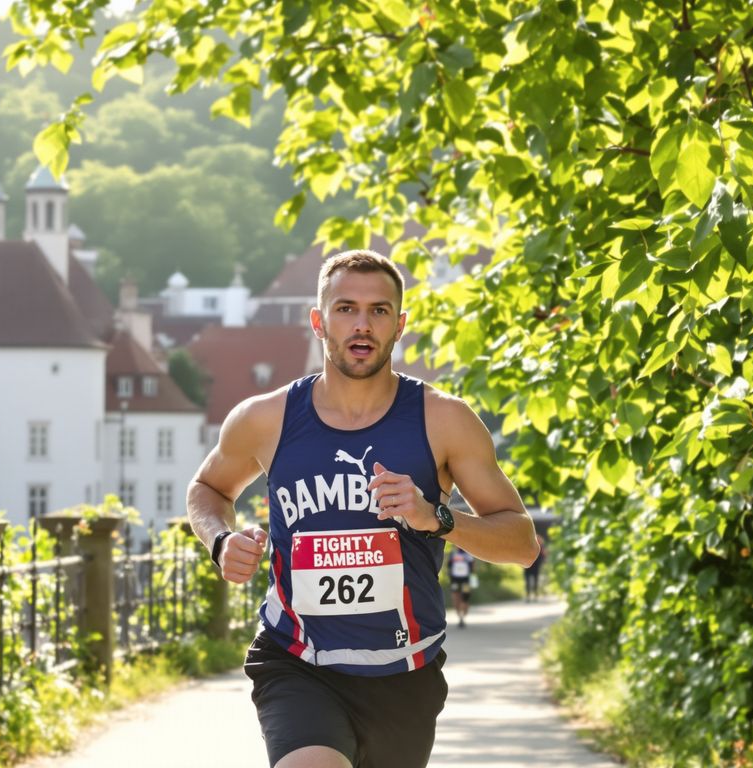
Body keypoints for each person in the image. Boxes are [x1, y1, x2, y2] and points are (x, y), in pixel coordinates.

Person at [187, 249, 540, 768]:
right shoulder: (266, 419)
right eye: (346, 308)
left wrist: (436, 518)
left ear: (400, 325)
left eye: (378, 311)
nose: (362, 325)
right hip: (297, 660)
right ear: (318, 322)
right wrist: (220, 540)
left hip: (404, 671)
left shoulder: (444, 420)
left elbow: (523, 543)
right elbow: (207, 488)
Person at [446, 544, 474, 626]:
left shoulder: (469, 554)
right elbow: (448, 565)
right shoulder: (453, 554)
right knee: (455, 597)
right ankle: (460, 617)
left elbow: (473, 567)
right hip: (455, 580)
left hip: (465, 580)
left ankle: (463, 616)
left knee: (465, 598)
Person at [524, 532, 546, 602]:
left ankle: (533, 596)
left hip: (533, 565)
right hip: (528, 565)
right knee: (529, 581)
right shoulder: (528, 546)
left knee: (533, 580)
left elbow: (543, 555)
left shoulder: (540, 547)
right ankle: (529, 596)